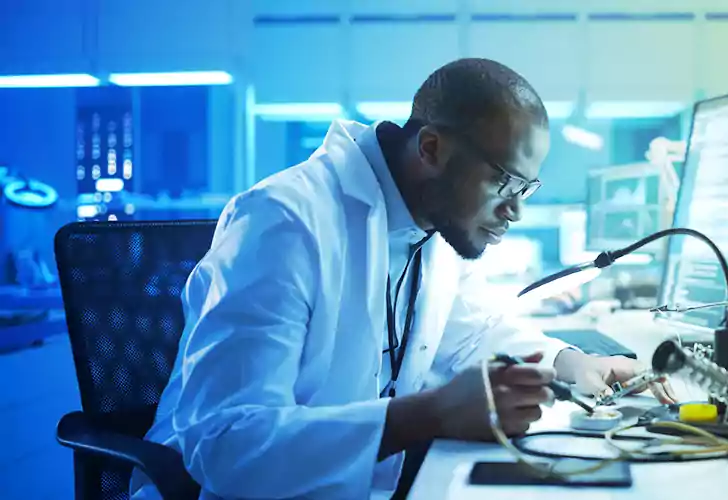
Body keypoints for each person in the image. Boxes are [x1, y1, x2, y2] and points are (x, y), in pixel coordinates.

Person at [130, 58, 676, 500]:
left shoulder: (426, 226)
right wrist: (428, 415)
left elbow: (471, 334)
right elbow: (227, 446)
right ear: (432, 150)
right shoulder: (283, 222)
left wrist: (571, 362)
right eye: (504, 181)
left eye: (525, 189)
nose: (515, 212)